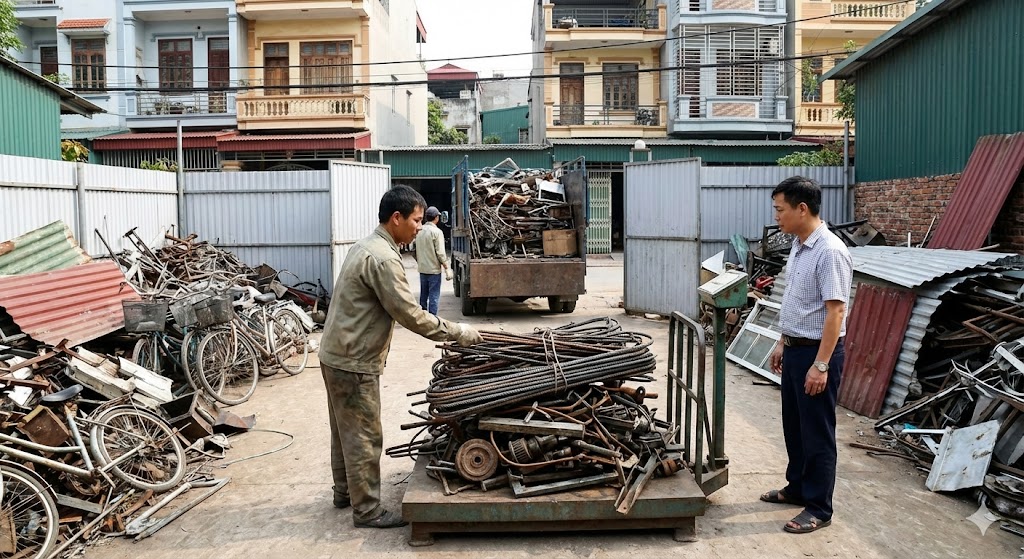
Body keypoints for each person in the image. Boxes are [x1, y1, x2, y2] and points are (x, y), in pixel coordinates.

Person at [319, 185, 483, 529]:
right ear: (397, 218)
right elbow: (410, 314)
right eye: (416, 220)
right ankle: (367, 511)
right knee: (364, 434)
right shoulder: (383, 258)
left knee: (343, 429)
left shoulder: (366, 245)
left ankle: (343, 492)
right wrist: (458, 332)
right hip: (353, 359)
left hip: (335, 352)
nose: (420, 227)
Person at [760, 176, 852, 535]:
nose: (776, 216)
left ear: (802, 208)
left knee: (817, 433)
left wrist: (821, 364)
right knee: (795, 428)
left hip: (818, 353)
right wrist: (784, 342)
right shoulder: (800, 246)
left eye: (780, 210)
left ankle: (818, 507)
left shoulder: (829, 251)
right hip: (798, 349)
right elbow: (798, 303)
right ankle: (797, 487)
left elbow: (835, 313)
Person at [414, 206, 450, 315]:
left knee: (423, 296)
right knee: (434, 296)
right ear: (436, 218)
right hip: (434, 271)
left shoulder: (419, 231)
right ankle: (433, 320)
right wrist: (446, 267)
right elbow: (440, 253)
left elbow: (415, 251)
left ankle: (423, 319)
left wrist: (420, 261)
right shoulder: (437, 232)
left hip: (423, 269)